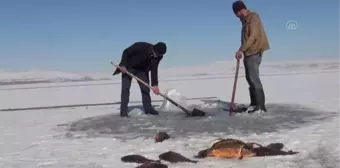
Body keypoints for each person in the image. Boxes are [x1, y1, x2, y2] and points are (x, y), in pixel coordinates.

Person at [232, 0, 270, 113]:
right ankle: (254, 104)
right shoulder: (244, 20)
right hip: (248, 51)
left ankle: (260, 106)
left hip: (254, 50)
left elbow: (253, 36)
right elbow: (246, 38)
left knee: (254, 78)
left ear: (241, 10)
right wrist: (242, 50)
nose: (236, 16)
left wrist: (241, 50)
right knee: (249, 77)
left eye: (236, 13)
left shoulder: (253, 17)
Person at [112, 41, 167, 117]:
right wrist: (123, 65)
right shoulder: (141, 46)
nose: (157, 56)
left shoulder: (159, 56)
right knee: (125, 88)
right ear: (154, 49)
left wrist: (155, 85)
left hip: (142, 70)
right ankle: (123, 110)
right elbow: (126, 52)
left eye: (159, 55)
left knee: (145, 88)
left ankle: (148, 108)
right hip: (128, 67)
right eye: (157, 54)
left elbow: (154, 68)